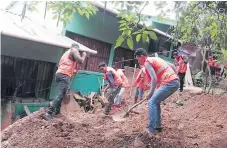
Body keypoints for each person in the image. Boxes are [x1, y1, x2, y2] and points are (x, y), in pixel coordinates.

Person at [134, 48, 179, 136]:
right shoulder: (156, 59)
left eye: (138, 59)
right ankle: (157, 126)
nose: (138, 61)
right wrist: (175, 76)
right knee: (156, 102)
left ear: (142, 57)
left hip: (169, 82)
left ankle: (151, 129)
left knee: (152, 102)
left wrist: (150, 94)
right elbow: (173, 66)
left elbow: (154, 78)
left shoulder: (147, 62)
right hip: (174, 82)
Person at [43, 43, 87, 120]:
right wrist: (84, 55)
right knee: (60, 94)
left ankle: (57, 112)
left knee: (62, 94)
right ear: (76, 48)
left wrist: (73, 70)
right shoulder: (74, 50)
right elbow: (80, 61)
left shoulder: (65, 53)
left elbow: (65, 65)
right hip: (64, 75)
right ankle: (48, 113)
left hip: (59, 74)